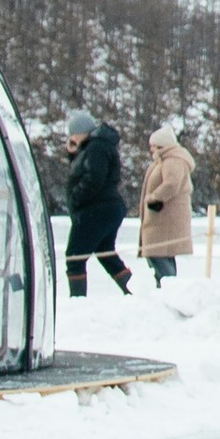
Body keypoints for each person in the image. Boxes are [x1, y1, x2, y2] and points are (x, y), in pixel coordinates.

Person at [60, 111, 133, 299]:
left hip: (96, 209)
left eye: (73, 134)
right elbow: (81, 171)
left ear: (82, 132)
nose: (71, 138)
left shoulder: (96, 147)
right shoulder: (95, 146)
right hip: (107, 207)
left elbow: (94, 178)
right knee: (104, 251)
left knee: (74, 256)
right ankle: (131, 288)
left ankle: (77, 300)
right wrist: (73, 152)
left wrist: (75, 197)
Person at [138, 123, 196, 284]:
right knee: (161, 255)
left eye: (153, 146)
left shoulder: (173, 161)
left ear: (162, 146)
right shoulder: (164, 160)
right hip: (162, 221)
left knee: (157, 254)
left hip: (166, 220)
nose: (151, 149)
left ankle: (169, 290)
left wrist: (154, 197)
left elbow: (171, 184)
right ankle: (165, 290)